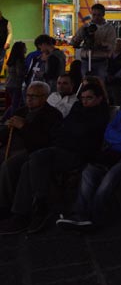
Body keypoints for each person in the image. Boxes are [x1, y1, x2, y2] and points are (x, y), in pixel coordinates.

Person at [0, 83, 108, 234]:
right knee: (24, 165)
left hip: (75, 152)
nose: (85, 101)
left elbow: (78, 135)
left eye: (89, 98)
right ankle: (19, 212)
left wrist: (25, 127)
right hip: (56, 147)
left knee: (35, 158)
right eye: (83, 98)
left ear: (99, 98)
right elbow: (63, 130)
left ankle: (39, 206)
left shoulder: (100, 114)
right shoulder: (77, 109)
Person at [57, 83, 121, 230]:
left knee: (111, 176)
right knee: (89, 171)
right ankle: (79, 213)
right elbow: (109, 132)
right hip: (116, 151)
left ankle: (94, 217)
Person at [0, 82, 62, 216]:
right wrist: (6, 127)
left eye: (34, 96)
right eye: (28, 95)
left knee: (8, 166)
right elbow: (6, 134)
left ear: (45, 97)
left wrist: (24, 126)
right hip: (11, 147)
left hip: (32, 151)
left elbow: (45, 142)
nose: (29, 99)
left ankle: (5, 205)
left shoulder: (53, 115)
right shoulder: (21, 111)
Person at [70, 3, 117, 79]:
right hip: (86, 60)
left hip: (101, 61)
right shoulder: (86, 27)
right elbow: (74, 42)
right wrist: (81, 35)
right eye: (94, 15)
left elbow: (112, 46)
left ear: (103, 14)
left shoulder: (109, 29)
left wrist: (100, 43)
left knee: (100, 83)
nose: (96, 17)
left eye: (98, 15)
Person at [2, 42, 27, 118]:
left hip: (9, 84)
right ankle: (10, 121)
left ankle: (4, 118)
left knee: (15, 104)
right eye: (24, 47)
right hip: (16, 85)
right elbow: (19, 73)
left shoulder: (11, 59)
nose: (26, 49)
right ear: (21, 49)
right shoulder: (19, 60)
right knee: (16, 105)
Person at [106, 38, 121, 106]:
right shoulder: (107, 56)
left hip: (118, 83)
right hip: (107, 82)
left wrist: (114, 77)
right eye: (116, 44)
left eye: (120, 45)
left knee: (117, 101)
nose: (117, 46)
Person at [0, 9, 12, 74]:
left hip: (2, 46)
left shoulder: (7, 22)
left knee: (0, 62)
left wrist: (7, 42)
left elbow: (10, 33)